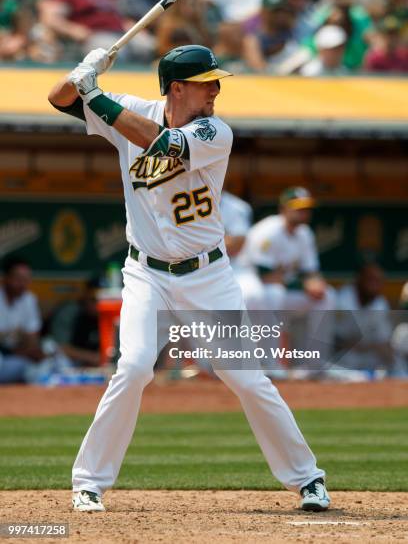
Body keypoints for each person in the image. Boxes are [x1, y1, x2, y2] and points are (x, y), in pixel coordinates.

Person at [48, 44, 330, 513]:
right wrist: (84, 70)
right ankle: (89, 482)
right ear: (178, 87)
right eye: (206, 83)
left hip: (208, 274)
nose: (216, 90)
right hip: (146, 272)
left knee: (246, 378)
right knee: (135, 366)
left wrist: (93, 93)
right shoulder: (128, 111)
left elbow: (159, 144)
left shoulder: (214, 130)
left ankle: (308, 479)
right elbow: (59, 99)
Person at [237, 187, 336, 366]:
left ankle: (314, 364)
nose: (304, 213)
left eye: (306, 208)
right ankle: (268, 362)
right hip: (249, 282)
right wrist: (304, 284)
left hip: (282, 287)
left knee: (327, 296)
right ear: (283, 209)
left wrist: (316, 284)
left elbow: (310, 271)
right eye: (298, 208)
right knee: (273, 294)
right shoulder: (268, 231)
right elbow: (264, 275)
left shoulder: (305, 234)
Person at [335, 262, 394, 373]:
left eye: (378, 281)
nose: (374, 285)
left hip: (368, 355)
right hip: (342, 357)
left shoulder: (381, 303)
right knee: (349, 360)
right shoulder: (343, 300)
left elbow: (384, 342)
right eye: (370, 280)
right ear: (359, 279)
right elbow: (336, 342)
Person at [0, 257, 42, 383]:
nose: (22, 284)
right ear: (6, 278)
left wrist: (20, 336)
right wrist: (11, 334)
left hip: (17, 357)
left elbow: (32, 340)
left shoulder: (29, 299)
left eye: (26, 280)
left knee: (34, 369)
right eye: (18, 279)